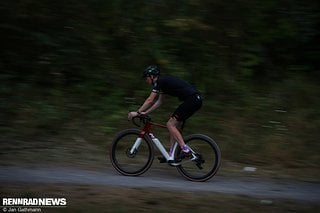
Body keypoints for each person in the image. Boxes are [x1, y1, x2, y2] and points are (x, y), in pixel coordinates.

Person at [128, 65, 202, 161]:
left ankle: (185, 150)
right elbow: (159, 102)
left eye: (146, 78)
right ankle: (172, 155)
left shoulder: (160, 81)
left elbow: (150, 100)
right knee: (173, 126)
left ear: (152, 76)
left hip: (192, 100)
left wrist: (138, 113)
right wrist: (145, 113)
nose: (146, 80)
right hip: (194, 100)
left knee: (170, 124)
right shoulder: (163, 83)